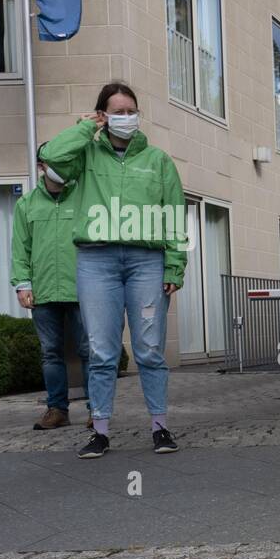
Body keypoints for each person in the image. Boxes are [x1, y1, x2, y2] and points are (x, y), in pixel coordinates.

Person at [40, 83, 187, 459]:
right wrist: (83, 128)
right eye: (116, 112)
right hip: (96, 261)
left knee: (150, 350)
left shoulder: (158, 160)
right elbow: (50, 159)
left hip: (145, 263)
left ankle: (160, 427)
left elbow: (174, 213)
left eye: (130, 110)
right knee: (102, 351)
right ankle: (100, 430)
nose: (125, 117)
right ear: (102, 116)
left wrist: (175, 264)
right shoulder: (85, 155)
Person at [10, 146, 91, 430]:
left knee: (89, 350)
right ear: (42, 166)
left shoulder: (84, 197)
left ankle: (98, 410)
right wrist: (22, 284)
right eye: (55, 162)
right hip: (43, 292)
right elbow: (20, 249)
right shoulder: (26, 204)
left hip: (83, 289)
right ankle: (57, 410)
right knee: (50, 352)